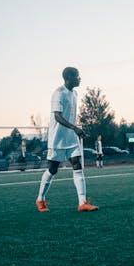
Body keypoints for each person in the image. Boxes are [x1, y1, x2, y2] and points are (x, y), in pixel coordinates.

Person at [36, 67, 99, 212]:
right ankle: (40, 199)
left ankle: (82, 202)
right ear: (69, 78)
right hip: (57, 139)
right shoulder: (58, 93)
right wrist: (75, 128)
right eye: (77, 76)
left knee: (77, 165)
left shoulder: (75, 93)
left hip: (71, 138)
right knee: (52, 169)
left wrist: (75, 130)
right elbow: (57, 116)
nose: (79, 78)